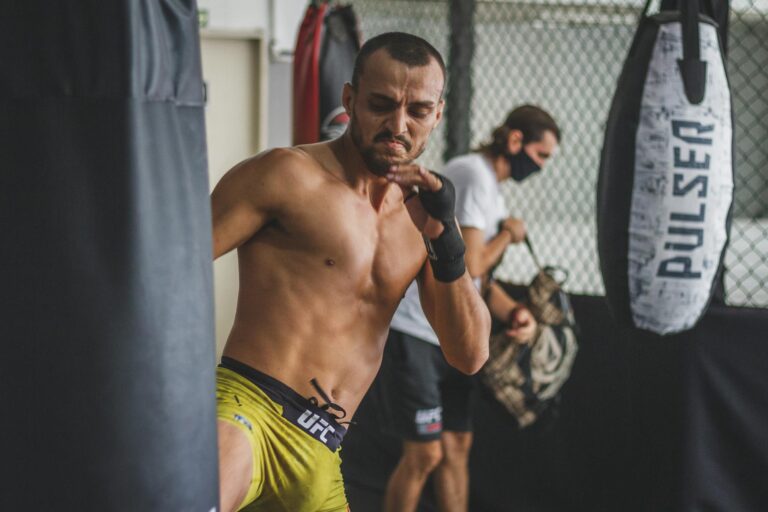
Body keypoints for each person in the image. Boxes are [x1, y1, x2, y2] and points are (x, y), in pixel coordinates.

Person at [210, 32, 491, 512]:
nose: (398, 125)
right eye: (381, 104)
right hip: (248, 410)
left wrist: (447, 243)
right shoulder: (286, 175)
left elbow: (470, 355)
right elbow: (167, 269)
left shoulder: (422, 224)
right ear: (349, 99)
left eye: (418, 111)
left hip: (322, 448)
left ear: (437, 115)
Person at [383, 105, 561, 512]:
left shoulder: (492, 189)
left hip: (454, 335)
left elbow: (475, 282)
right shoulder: (474, 175)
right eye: (541, 155)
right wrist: (510, 235)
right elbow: (472, 261)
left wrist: (515, 312)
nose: (542, 166)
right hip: (418, 330)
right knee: (424, 455)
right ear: (515, 141)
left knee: (457, 445)